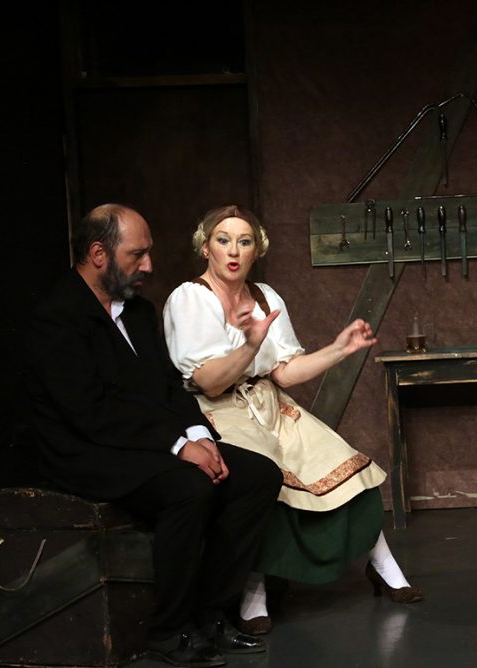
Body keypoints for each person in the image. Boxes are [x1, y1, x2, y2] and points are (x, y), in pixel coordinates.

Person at [25, 204, 283, 668]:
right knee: (189, 486)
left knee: (258, 475)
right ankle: (168, 630)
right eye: (137, 255)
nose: (148, 265)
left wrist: (201, 435)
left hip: (144, 441)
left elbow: (168, 385)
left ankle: (211, 614)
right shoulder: (56, 316)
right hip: (84, 450)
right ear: (99, 254)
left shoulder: (140, 312)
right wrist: (179, 446)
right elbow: (90, 413)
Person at [162, 204, 423, 634]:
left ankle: (382, 564)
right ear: (205, 247)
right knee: (263, 477)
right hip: (217, 409)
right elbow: (209, 380)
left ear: (256, 250)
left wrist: (338, 349)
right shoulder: (190, 299)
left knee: (341, 461)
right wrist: (249, 345)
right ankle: (254, 589)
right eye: (223, 240)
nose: (234, 251)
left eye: (244, 241)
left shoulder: (266, 297)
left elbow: (285, 372)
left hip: (268, 400)